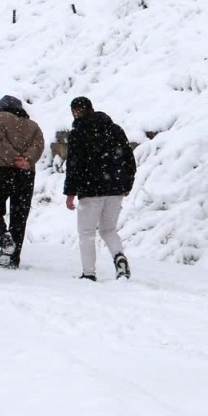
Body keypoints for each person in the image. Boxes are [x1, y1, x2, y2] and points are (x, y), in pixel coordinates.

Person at [63, 96, 136, 281]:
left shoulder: (78, 132)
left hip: (91, 189)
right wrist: (127, 184)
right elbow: (129, 158)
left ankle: (88, 273)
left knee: (87, 233)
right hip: (115, 188)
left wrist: (70, 192)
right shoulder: (114, 129)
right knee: (108, 230)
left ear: (76, 111)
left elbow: (73, 165)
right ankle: (119, 258)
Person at [0, 95, 44, 269]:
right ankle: (13, 258)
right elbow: (38, 146)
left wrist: (13, 157)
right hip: (26, 174)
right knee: (19, 216)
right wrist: (26, 160)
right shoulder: (33, 126)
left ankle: (4, 237)